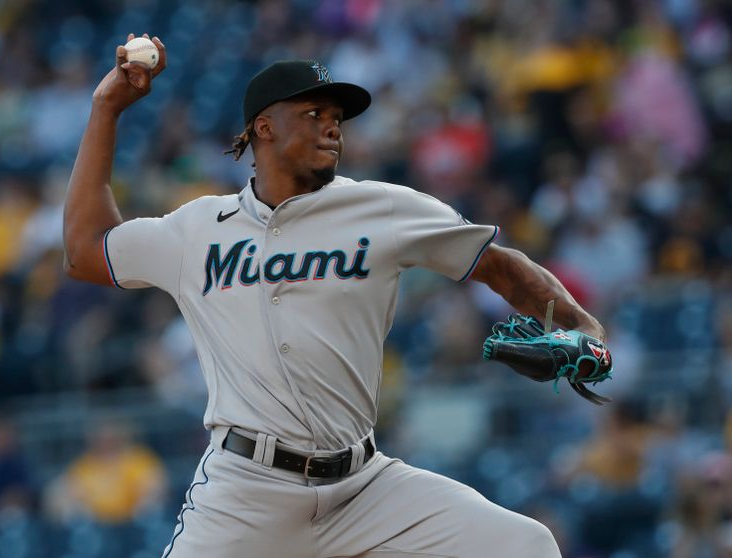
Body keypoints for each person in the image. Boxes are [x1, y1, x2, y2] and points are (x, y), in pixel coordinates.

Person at [63, 33, 608, 558]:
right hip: (247, 491)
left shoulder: (384, 208)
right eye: (313, 114)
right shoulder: (197, 228)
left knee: (524, 545)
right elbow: (86, 251)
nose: (332, 128)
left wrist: (584, 330)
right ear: (263, 128)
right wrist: (106, 109)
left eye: (336, 118)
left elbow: (500, 267)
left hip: (365, 486)